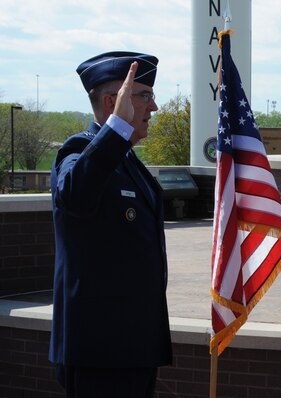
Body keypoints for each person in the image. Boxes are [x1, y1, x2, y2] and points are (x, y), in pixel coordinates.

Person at [49, 52, 172, 398]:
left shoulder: (126, 161)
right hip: (98, 350)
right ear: (111, 102)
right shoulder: (78, 153)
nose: (154, 107)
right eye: (144, 96)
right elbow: (74, 195)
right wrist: (117, 127)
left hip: (134, 345)